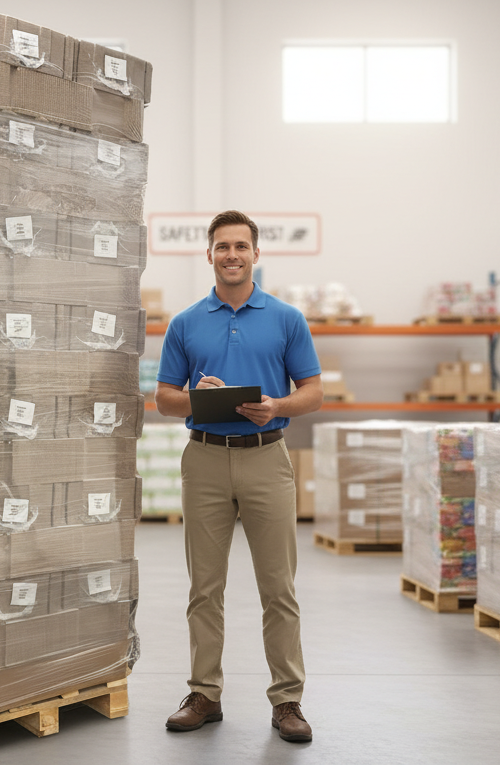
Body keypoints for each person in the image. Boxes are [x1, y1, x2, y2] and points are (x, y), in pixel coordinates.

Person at [154, 210, 322, 743]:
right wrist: (203, 398)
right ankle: (204, 693)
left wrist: (275, 406)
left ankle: (288, 700)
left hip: (267, 457)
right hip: (203, 459)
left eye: (241, 246)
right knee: (205, 587)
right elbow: (163, 399)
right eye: (222, 246)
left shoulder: (286, 318)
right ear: (209, 254)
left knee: (279, 587)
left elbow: (313, 392)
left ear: (255, 254)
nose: (232, 255)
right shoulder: (185, 322)